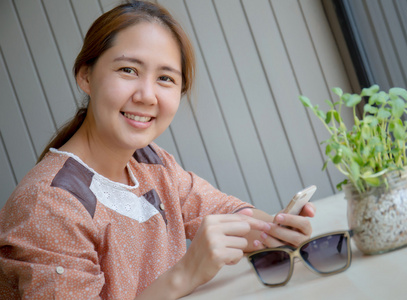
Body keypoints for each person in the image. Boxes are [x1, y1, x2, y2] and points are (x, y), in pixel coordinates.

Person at [0, 1, 315, 299]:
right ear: (86, 75)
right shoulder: (48, 206)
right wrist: (186, 274)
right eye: (128, 70)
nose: (147, 95)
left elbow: (217, 209)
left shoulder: (151, 163)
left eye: (165, 78)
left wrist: (276, 229)